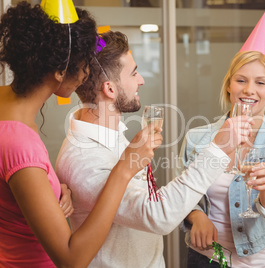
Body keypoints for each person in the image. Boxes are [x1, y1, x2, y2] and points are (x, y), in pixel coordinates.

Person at [55, 30, 252, 268]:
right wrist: (218, 150)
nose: (142, 80)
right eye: (134, 73)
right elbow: (158, 215)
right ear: (109, 89)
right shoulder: (84, 160)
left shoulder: (113, 133)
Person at [0, 2, 160, 267]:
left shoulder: (9, 110)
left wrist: (49, 189)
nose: (87, 75)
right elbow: (72, 259)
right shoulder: (18, 142)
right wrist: (124, 168)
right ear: (60, 71)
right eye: (85, 65)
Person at [179, 49, 265, 267]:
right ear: (229, 86)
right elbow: (180, 193)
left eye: (260, 83)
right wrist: (196, 216)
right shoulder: (196, 139)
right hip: (204, 258)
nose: (249, 90)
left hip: (260, 261)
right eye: (241, 80)